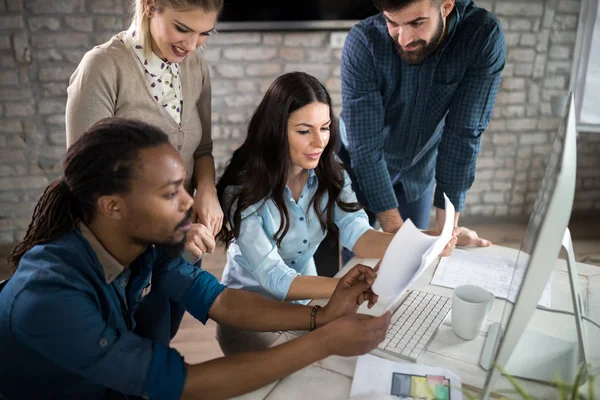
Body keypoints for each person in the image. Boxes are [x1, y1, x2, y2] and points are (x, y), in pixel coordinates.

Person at [0, 118, 390, 399]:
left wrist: (321, 316)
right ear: (112, 207)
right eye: (171, 194)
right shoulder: (50, 295)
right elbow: (181, 385)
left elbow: (221, 300)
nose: (190, 203)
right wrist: (323, 341)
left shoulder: (148, 249)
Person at [215, 72, 456, 355]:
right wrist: (343, 287)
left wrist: (429, 240)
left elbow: (360, 234)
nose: (320, 142)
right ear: (276, 132)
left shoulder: (331, 174)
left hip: (308, 302)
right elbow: (276, 278)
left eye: (326, 128)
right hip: (250, 313)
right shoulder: (242, 191)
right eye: (305, 131)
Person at [66, 0, 225, 342]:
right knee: (125, 359)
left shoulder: (195, 67)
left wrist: (208, 191)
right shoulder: (104, 67)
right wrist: (172, 230)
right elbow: (88, 182)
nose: (192, 44)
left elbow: (202, 149)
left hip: (181, 244)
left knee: (160, 342)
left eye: (204, 34)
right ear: (151, 6)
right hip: (121, 255)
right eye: (182, 29)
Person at [338, 0, 505, 263]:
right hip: (357, 164)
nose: (403, 39)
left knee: (412, 263)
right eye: (392, 23)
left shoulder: (481, 36)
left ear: (446, 6)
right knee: (358, 258)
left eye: (416, 23)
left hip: (418, 167)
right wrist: (397, 235)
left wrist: (447, 230)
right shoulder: (364, 42)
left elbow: (464, 134)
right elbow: (365, 148)